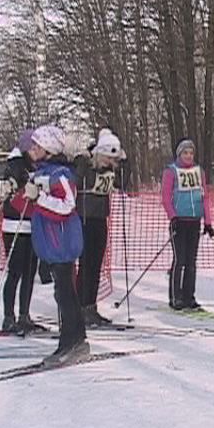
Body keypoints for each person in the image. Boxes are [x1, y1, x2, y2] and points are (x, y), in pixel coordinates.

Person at [25, 125, 88, 367]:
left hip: (61, 240)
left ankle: (71, 341)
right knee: (62, 292)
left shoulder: (61, 173)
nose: (32, 150)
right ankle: (74, 339)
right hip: (48, 240)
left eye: (37, 146)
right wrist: (19, 195)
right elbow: (32, 205)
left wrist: (37, 197)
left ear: (49, 149)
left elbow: (66, 206)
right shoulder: (41, 172)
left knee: (65, 294)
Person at [76, 128, 127, 326]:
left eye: (111, 159)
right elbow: (78, 176)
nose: (109, 163)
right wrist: (85, 157)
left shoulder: (111, 171)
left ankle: (90, 306)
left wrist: (124, 161)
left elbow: (124, 183)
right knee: (85, 266)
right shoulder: (87, 167)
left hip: (99, 220)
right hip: (84, 218)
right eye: (106, 158)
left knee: (96, 266)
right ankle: (80, 307)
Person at [162, 138, 214, 311]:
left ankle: (188, 296)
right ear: (179, 154)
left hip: (194, 220)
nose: (189, 156)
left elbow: (205, 196)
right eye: (185, 152)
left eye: (191, 153)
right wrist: (173, 217)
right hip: (179, 221)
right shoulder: (171, 171)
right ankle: (175, 297)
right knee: (180, 259)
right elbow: (165, 197)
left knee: (191, 261)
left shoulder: (199, 171)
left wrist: (207, 221)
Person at [0, 129, 41, 334]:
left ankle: (24, 315)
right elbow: (12, 196)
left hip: (31, 225)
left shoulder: (35, 166)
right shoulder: (15, 166)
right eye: (33, 148)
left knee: (29, 272)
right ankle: (9, 316)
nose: (36, 151)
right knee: (15, 272)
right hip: (15, 225)